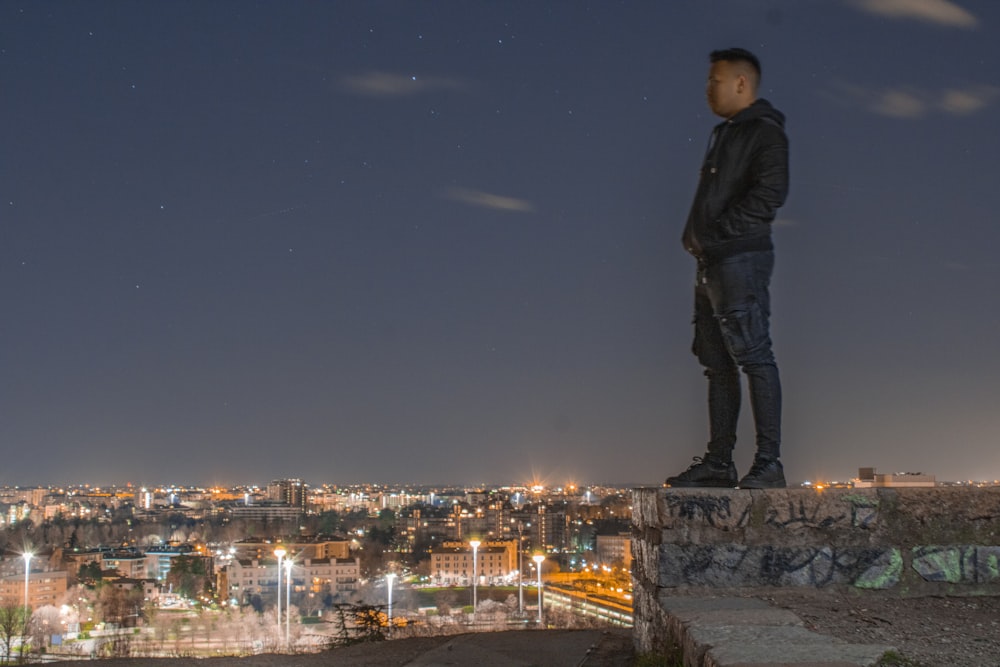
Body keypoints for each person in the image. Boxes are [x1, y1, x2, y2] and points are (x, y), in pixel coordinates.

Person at [666, 48, 789, 489]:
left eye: (714, 81)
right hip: (712, 262)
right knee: (717, 363)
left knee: (754, 355)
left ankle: (768, 463)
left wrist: (718, 234)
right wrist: (699, 240)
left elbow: (771, 194)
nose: (707, 90)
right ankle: (720, 461)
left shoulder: (764, 132)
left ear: (741, 83)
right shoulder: (727, 134)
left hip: (739, 258)